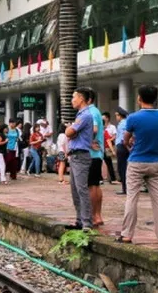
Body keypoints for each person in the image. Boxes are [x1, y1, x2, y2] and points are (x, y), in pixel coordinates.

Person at [116, 85, 158, 245]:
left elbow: (125, 139)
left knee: (132, 197)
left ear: (139, 98)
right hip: (156, 161)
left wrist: (130, 145)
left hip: (137, 160)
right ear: (155, 99)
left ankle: (127, 234)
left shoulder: (133, 118)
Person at [64, 87, 95, 231]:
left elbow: (69, 132)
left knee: (81, 189)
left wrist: (70, 129)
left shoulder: (85, 116)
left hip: (81, 155)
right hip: (75, 155)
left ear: (81, 98)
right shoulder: (80, 115)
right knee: (74, 190)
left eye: (73, 97)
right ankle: (79, 220)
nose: (72, 100)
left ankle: (87, 222)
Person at [84, 89, 106, 227]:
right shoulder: (96, 111)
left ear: (88, 99)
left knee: (91, 185)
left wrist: (86, 140)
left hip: (91, 154)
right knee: (95, 185)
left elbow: (94, 129)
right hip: (97, 154)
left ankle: (93, 215)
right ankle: (97, 215)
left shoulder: (90, 112)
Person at [114, 107, 130, 195]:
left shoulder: (123, 123)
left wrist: (127, 147)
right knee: (123, 168)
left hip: (122, 146)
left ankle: (125, 189)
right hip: (123, 146)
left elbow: (124, 137)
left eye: (116, 115)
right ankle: (125, 188)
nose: (116, 117)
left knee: (122, 168)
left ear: (120, 116)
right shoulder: (124, 123)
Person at [102, 112, 119, 185]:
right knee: (108, 163)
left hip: (105, 148)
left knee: (107, 163)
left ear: (107, 118)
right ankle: (112, 179)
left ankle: (107, 179)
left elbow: (112, 138)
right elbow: (108, 140)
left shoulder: (111, 127)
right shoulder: (103, 130)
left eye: (104, 118)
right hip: (103, 148)